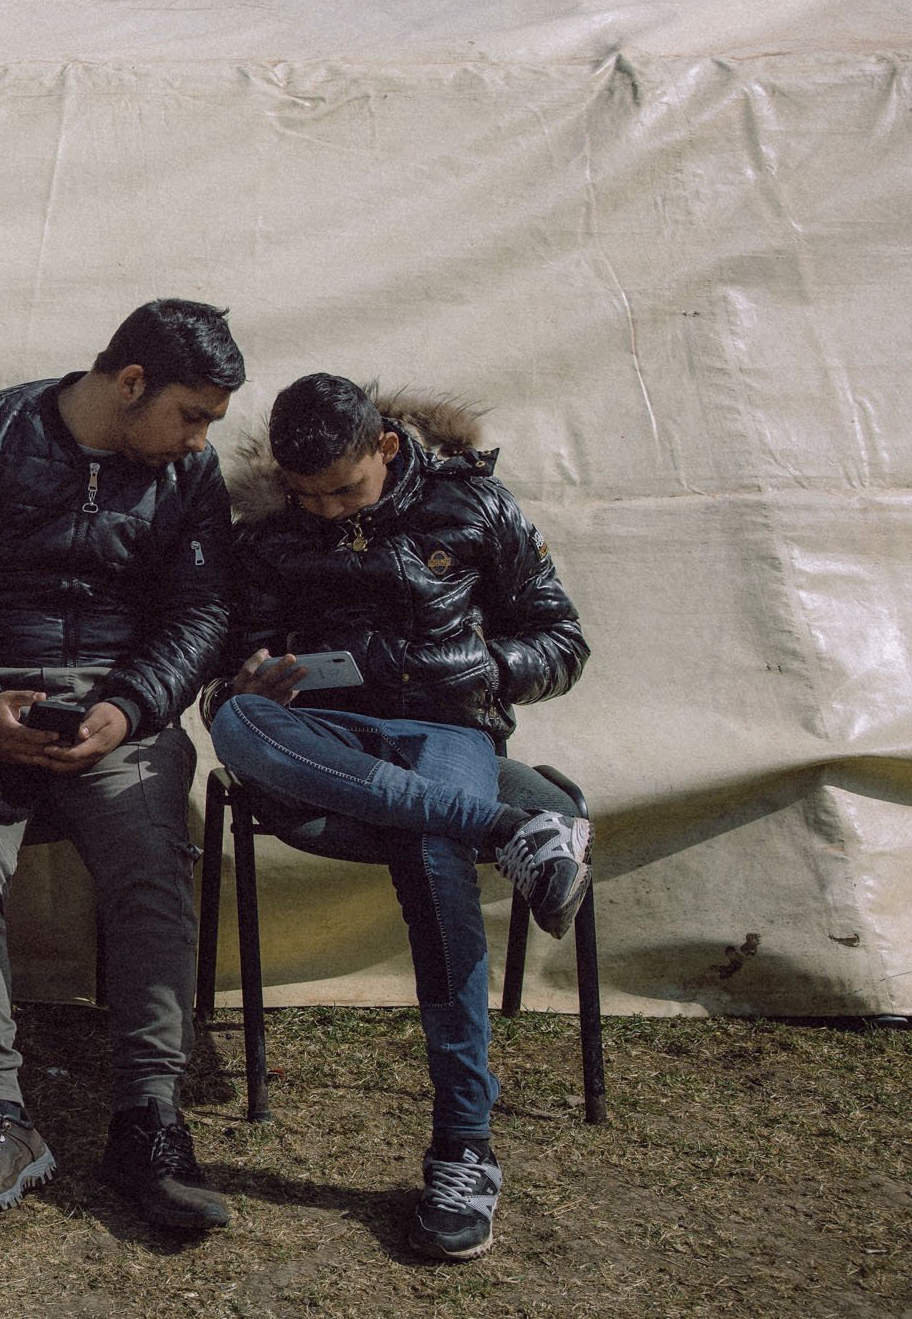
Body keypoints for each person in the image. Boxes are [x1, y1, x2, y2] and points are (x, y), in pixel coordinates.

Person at [209, 375, 591, 1263]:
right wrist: (254, 672)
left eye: (344, 489)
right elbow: (237, 656)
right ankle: (508, 829)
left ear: (384, 446)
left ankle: (464, 1147)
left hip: (444, 724)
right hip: (320, 736)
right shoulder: (269, 535)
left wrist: (482, 669)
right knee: (233, 720)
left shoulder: (474, 506)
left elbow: (562, 640)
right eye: (307, 496)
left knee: (432, 853)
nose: (326, 508)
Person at [0, 298, 241, 1232]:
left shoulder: (190, 476)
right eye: (191, 415)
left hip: (120, 713)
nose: (201, 442)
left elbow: (203, 612)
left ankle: (151, 1122)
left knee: (152, 873)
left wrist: (128, 709)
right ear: (130, 384)